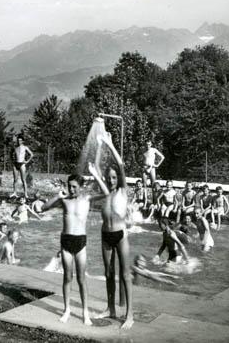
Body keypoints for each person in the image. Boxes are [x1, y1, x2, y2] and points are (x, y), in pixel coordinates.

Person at [87, 133, 134, 329]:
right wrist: (99, 147)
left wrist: (109, 143)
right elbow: (96, 169)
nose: (112, 179)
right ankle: (111, 308)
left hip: (120, 235)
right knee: (108, 273)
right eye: (109, 177)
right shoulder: (106, 192)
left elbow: (121, 165)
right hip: (105, 235)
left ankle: (129, 315)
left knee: (124, 275)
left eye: (114, 177)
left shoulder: (123, 191)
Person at [40, 173, 92, 326]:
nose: (71, 189)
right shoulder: (64, 200)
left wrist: (95, 175)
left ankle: (85, 312)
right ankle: (67, 309)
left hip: (81, 241)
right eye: (69, 186)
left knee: (81, 279)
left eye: (74, 187)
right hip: (66, 241)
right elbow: (43, 208)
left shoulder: (86, 200)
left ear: (81, 187)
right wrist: (57, 196)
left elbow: (106, 193)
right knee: (67, 277)